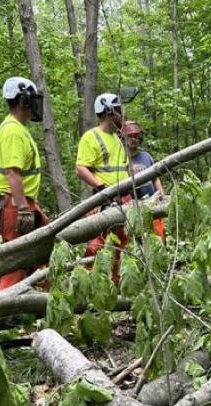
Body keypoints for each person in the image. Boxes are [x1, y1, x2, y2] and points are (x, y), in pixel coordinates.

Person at [0, 76, 48, 291]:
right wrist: (23, 208)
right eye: (32, 99)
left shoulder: (18, 129)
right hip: (14, 203)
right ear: (24, 100)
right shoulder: (12, 131)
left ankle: (39, 304)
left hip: (23, 201)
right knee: (16, 260)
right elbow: (12, 173)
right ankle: (3, 312)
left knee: (41, 253)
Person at [75, 93, 130, 280]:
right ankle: (88, 280)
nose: (121, 115)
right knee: (97, 244)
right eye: (118, 110)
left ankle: (117, 284)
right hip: (104, 200)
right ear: (108, 111)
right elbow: (80, 168)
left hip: (124, 199)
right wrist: (101, 187)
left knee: (123, 242)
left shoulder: (118, 139)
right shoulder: (91, 137)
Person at [120, 120, 166, 242]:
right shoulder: (121, 160)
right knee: (138, 240)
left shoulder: (146, 156)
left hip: (153, 203)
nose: (133, 139)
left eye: (136, 136)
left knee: (159, 239)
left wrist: (160, 192)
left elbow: (155, 177)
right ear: (124, 138)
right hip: (134, 206)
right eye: (130, 136)